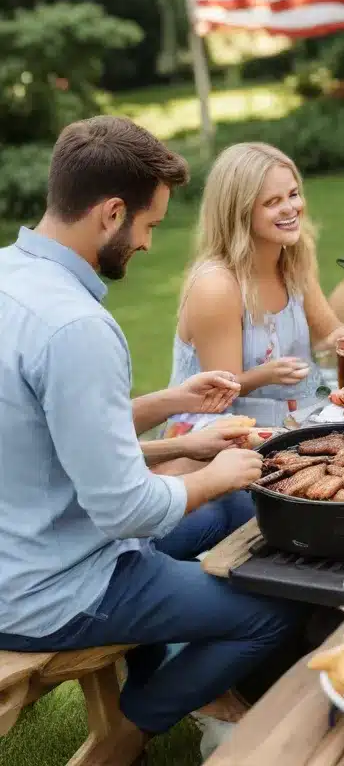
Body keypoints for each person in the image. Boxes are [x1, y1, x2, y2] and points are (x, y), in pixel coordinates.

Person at [0, 117, 296, 759]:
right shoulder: (77, 325)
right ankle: (126, 734)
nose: (146, 243)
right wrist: (215, 474)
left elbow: (53, 438)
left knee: (227, 511)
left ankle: (166, 675)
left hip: (18, 547)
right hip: (54, 586)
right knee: (274, 606)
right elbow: (125, 510)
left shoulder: (10, 279)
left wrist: (174, 421)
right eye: (148, 224)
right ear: (111, 213)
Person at [171, 142, 344, 431]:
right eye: (272, 202)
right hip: (218, 436)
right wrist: (266, 374)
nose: (290, 208)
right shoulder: (217, 286)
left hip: (293, 422)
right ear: (239, 212)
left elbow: (328, 334)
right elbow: (220, 389)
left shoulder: (294, 259)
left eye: (293, 195)